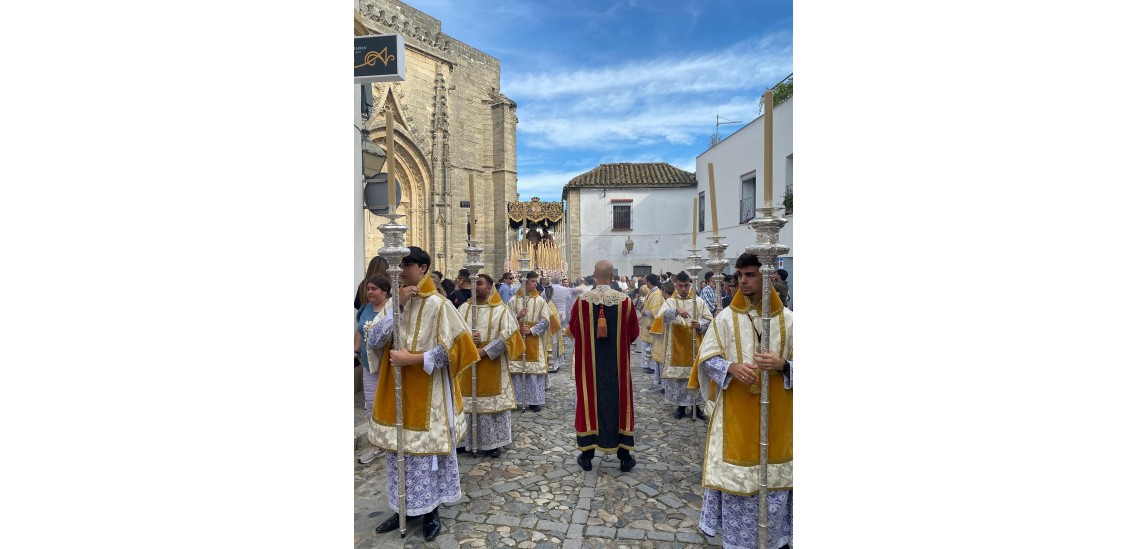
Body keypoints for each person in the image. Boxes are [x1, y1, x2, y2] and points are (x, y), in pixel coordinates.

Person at [365, 246, 480, 542]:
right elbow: (375, 339)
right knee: (399, 453)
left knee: (426, 455)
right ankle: (403, 507)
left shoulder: (439, 305)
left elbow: (458, 348)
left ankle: (430, 511)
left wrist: (414, 359)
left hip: (430, 394)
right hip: (396, 393)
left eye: (406, 264)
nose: (400, 270)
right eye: (397, 265)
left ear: (423, 268)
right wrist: (397, 306)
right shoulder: (395, 302)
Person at [688, 252, 793, 549]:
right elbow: (706, 360)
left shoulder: (790, 322)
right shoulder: (724, 319)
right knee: (739, 487)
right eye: (740, 275)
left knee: (775, 486)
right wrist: (731, 368)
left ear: (767, 276)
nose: (742, 281)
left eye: (750, 275)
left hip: (780, 423)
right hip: (736, 418)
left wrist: (783, 365)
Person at [567, 259, 641, 472]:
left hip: (589, 367)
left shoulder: (582, 301)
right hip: (617, 368)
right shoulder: (625, 301)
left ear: (593, 275)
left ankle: (587, 455)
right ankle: (625, 456)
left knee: (589, 402)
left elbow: (572, 330)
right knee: (620, 402)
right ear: (612, 276)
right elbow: (634, 333)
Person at [457, 273, 524, 458]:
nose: (475, 287)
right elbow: (452, 334)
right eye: (472, 283)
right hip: (467, 365)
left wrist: (484, 351)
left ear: (489, 287)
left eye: (479, 283)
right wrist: (468, 341)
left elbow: (509, 335)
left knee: (490, 405)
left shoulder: (501, 310)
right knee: (466, 402)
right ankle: (464, 440)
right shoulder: (463, 309)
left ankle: (493, 442)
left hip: (491, 363)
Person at [651, 271, 712, 420]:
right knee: (679, 379)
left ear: (690, 285)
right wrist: (676, 310)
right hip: (676, 345)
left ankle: (696, 407)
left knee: (695, 375)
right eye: (680, 286)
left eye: (686, 286)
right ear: (676, 285)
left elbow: (709, 319)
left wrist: (701, 324)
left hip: (694, 345)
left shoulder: (698, 301)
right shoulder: (670, 302)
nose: (683, 289)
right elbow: (661, 318)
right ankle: (681, 407)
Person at [507, 271, 559, 412]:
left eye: (536, 281)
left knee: (533, 373)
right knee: (517, 372)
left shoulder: (540, 300)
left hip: (534, 340)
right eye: (532, 281)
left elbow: (545, 320)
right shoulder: (513, 300)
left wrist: (532, 330)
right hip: (518, 340)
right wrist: (518, 316)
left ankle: (534, 401)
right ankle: (517, 400)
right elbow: (506, 321)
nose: (536, 284)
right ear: (524, 282)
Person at [355, 273, 391, 464]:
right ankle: (376, 444)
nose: (369, 292)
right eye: (368, 289)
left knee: (390, 404)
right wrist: (354, 351)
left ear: (385, 291)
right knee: (371, 405)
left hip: (388, 366)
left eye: (374, 289)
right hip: (369, 366)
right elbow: (359, 331)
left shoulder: (392, 309)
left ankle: (391, 439)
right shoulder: (364, 309)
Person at [648, 280, 676, 392]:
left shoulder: (668, 302)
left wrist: (653, 326)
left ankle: (664, 385)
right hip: (670, 335)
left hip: (665, 335)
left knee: (663, 360)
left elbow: (660, 317)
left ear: (664, 291)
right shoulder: (673, 301)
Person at [637, 274, 665, 375]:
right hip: (647, 321)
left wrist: (645, 312)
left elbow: (656, 310)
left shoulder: (657, 294)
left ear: (649, 282)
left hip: (652, 321)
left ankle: (652, 366)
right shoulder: (651, 292)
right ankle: (646, 364)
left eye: (646, 281)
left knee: (652, 345)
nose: (645, 283)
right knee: (647, 344)